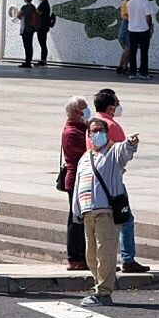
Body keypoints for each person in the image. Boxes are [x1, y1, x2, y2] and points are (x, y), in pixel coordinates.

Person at [74, 116, 139, 307]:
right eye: (93, 131)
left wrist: (130, 143)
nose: (96, 134)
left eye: (100, 130)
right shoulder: (86, 158)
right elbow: (79, 185)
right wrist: (77, 211)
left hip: (106, 212)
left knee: (105, 252)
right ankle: (98, 286)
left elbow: (126, 150)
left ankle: (104, 292)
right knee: (91, 254)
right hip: (88, 212)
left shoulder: (113, 152)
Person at [93, 87, 150, 273]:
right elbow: (121, 154)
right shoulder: (112, 126)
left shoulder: (92, 124)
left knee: (100, 220)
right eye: (117, 104)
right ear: (111, 108)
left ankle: (101, 259)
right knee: (125, 217)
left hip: (94, 179)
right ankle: (128, 258)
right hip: (113, 181)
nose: (118, 107)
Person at [60, 97, 91, 271]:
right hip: (76, 180)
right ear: (74, 112)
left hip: (84, 179)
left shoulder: (82, 128)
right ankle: (74, 257)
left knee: (83, 219)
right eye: (83, 108)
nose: (87, 111)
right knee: (76, 219)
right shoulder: (72, 132)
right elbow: (90, 149)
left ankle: (85, 256)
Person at [127, 0, 157, 79]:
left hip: (132, 29)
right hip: (143, 29)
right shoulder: (145, 3)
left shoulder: (129, 3)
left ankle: (132, 72)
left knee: (133, 51)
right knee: (144, 52)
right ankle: (143, 73)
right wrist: (148, 27)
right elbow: (148, 17)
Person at [16, 0, 38, 68]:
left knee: (26, 45)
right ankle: (29, 61)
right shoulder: (33, 7)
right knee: (30, 45)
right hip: (31, 28)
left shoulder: (24, 7)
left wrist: (23, 17)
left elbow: (18, 16)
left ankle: (27, 62)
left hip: (25, 28)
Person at [114, 0, 132, 75]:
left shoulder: (127, 2)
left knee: (127, 49)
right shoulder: (127, 3)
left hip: (126, 24)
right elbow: (127, 16)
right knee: (128, 48)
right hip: (127, 24)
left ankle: (121, 66)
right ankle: (124, 67)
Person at [35, 0, 53, 65]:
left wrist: (35, 11)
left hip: (42, 26)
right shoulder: (46, 3)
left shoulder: (43, 4)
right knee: (43, 43)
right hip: (44, 26)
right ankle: (43, 59)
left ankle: (43, 60)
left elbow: (38, 14)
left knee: (42, 43)